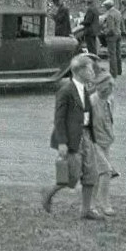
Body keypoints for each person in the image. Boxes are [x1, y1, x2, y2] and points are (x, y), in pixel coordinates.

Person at [43, 54, 103, 220]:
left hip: (85, 135)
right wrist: (62, 142)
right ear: (80, 71)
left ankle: (86, 210)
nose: (93, 72)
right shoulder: (66, 91)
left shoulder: (85, 89)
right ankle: (49, 193)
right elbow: (59, 118)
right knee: (71, 176)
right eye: (90, 69)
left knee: (91, 173)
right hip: (71, 138)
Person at [89, 65, 117, 217]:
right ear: (101, 88)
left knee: (98, 174)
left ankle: (92, 204)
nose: (110, 91)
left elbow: (109, 120)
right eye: (108, 88)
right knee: (106, 171)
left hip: (105, 141)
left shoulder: (110, 100)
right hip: (93, 142)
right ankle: (104, 204)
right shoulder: (91, 103)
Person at [101, 0, 125, 77]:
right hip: (118, 34)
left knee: (112, 54)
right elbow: (121, 24)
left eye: (104, 6)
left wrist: (104, 33)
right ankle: (119, 71)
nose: (104, 8)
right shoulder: (118, 12)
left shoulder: (110, 14)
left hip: (112, 36)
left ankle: (113, 72)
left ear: (107, 6)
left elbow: (110, 28)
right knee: (118, 53)